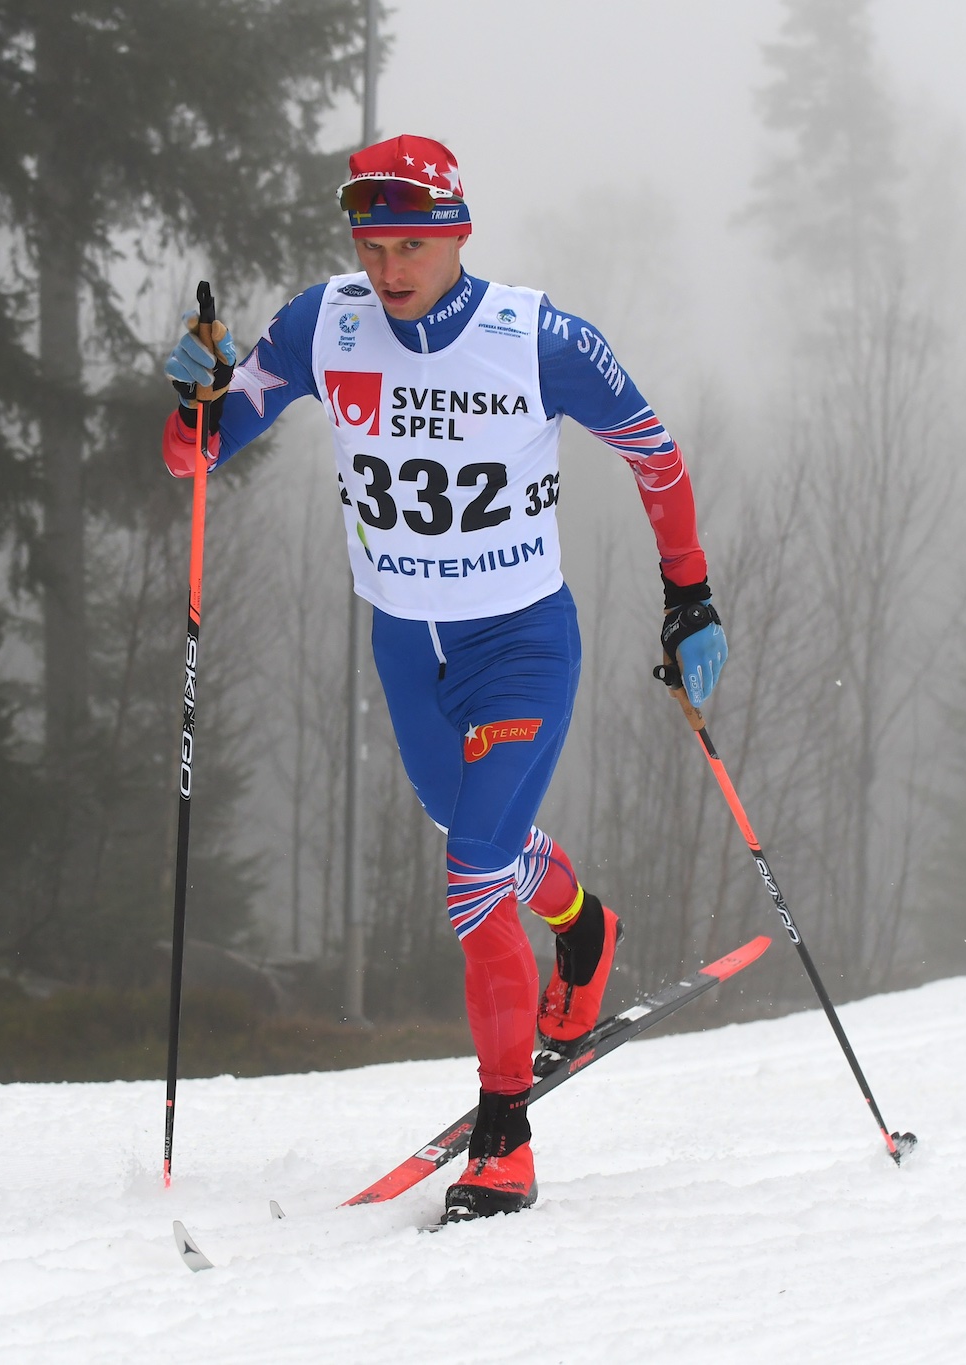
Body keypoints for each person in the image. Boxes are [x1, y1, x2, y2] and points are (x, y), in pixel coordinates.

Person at [161, 134, 727, 1221]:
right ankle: (582, 926)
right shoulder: (321, 325)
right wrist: (195, 400)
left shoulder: (535, 339)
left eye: (411, 246)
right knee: (482, 842)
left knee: (472, 874)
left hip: (519, 645)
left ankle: (503, 1138)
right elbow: (198, 454)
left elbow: (653, 453)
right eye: (371, 247)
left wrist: (689, 594)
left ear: (458, 234)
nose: (388, 270)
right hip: (404, 650)